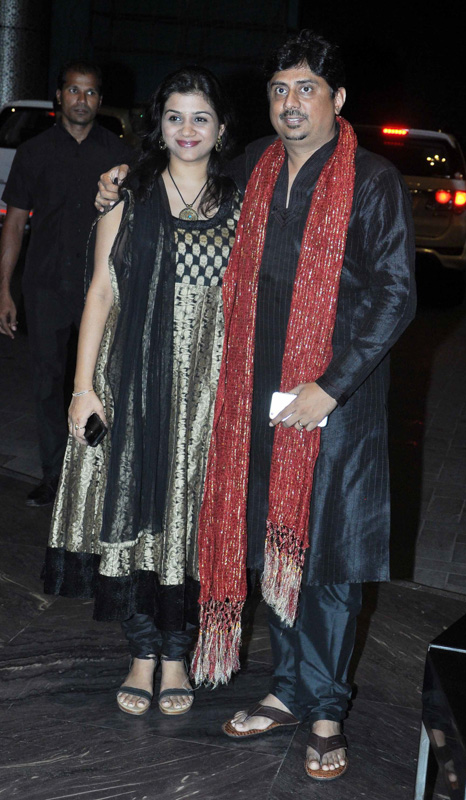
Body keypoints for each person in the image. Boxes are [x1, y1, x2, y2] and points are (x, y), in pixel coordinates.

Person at [96, 30, 416, 780]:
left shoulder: (373, 182)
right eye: (279, 89)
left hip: (335, 405)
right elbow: (185, 170)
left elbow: (396, 296)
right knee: (274, 548)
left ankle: (327, 708)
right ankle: (287, 688)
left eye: (307, 88)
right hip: (254, 399)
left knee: (326, 562)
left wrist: (330, 385)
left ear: (338, 99)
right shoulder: (257, 167)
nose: (290, 102)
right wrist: (119, 179)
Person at [43, 67, 241, 716]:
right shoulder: (129, 193)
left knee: (188, 520)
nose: (187, 130)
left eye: (201, 118)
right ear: (159, 124)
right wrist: (81, 388)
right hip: (128, 379)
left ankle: (178, 654)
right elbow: (101, 292)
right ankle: (142, 653)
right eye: (175, 117)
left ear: (221, 129)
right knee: (128, 509)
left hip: (205, 392)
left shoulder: (241, 204)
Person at [0, 60, 133, 507]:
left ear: (100, 99)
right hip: (45, 286)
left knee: (102, 380)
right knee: (46, 381)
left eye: (91, 92)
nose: (82, 99)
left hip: (102, 288)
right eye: (74, 90)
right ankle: (53, 475)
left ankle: (97, 478)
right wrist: (3, 288)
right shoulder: (33, 152)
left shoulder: (119, 153)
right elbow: (14, 224)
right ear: (59, 96)